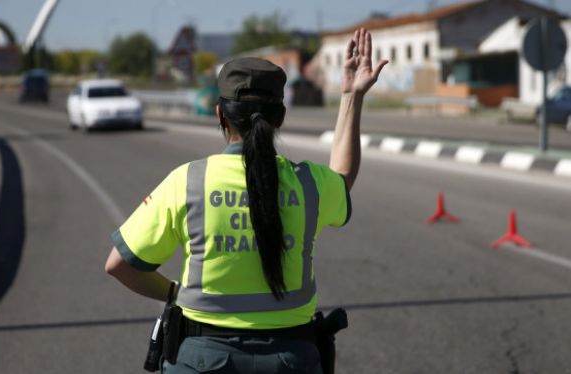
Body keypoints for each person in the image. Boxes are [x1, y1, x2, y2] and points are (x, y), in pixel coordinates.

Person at [105, 28, 387, 373]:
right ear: (280, 118)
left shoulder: (187, 181)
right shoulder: (309, 183)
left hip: (201, 360)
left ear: (221, 115)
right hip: (293, 359)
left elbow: (119, 265)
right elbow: (343, 178)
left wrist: (175, 294)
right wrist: (351, 96)